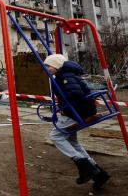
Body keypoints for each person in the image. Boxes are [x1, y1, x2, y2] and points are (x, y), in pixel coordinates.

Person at [44, 54, 110, 190]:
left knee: (56, 136)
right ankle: (98, 174)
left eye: (49, 65)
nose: (47, 68)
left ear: (56, 65)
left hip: (78, 111)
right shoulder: (66, 75)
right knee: (73, 142)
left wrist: (64, 107)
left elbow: (76, 94)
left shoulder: (66, 77)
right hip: (80, 110)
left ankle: (83, 164)